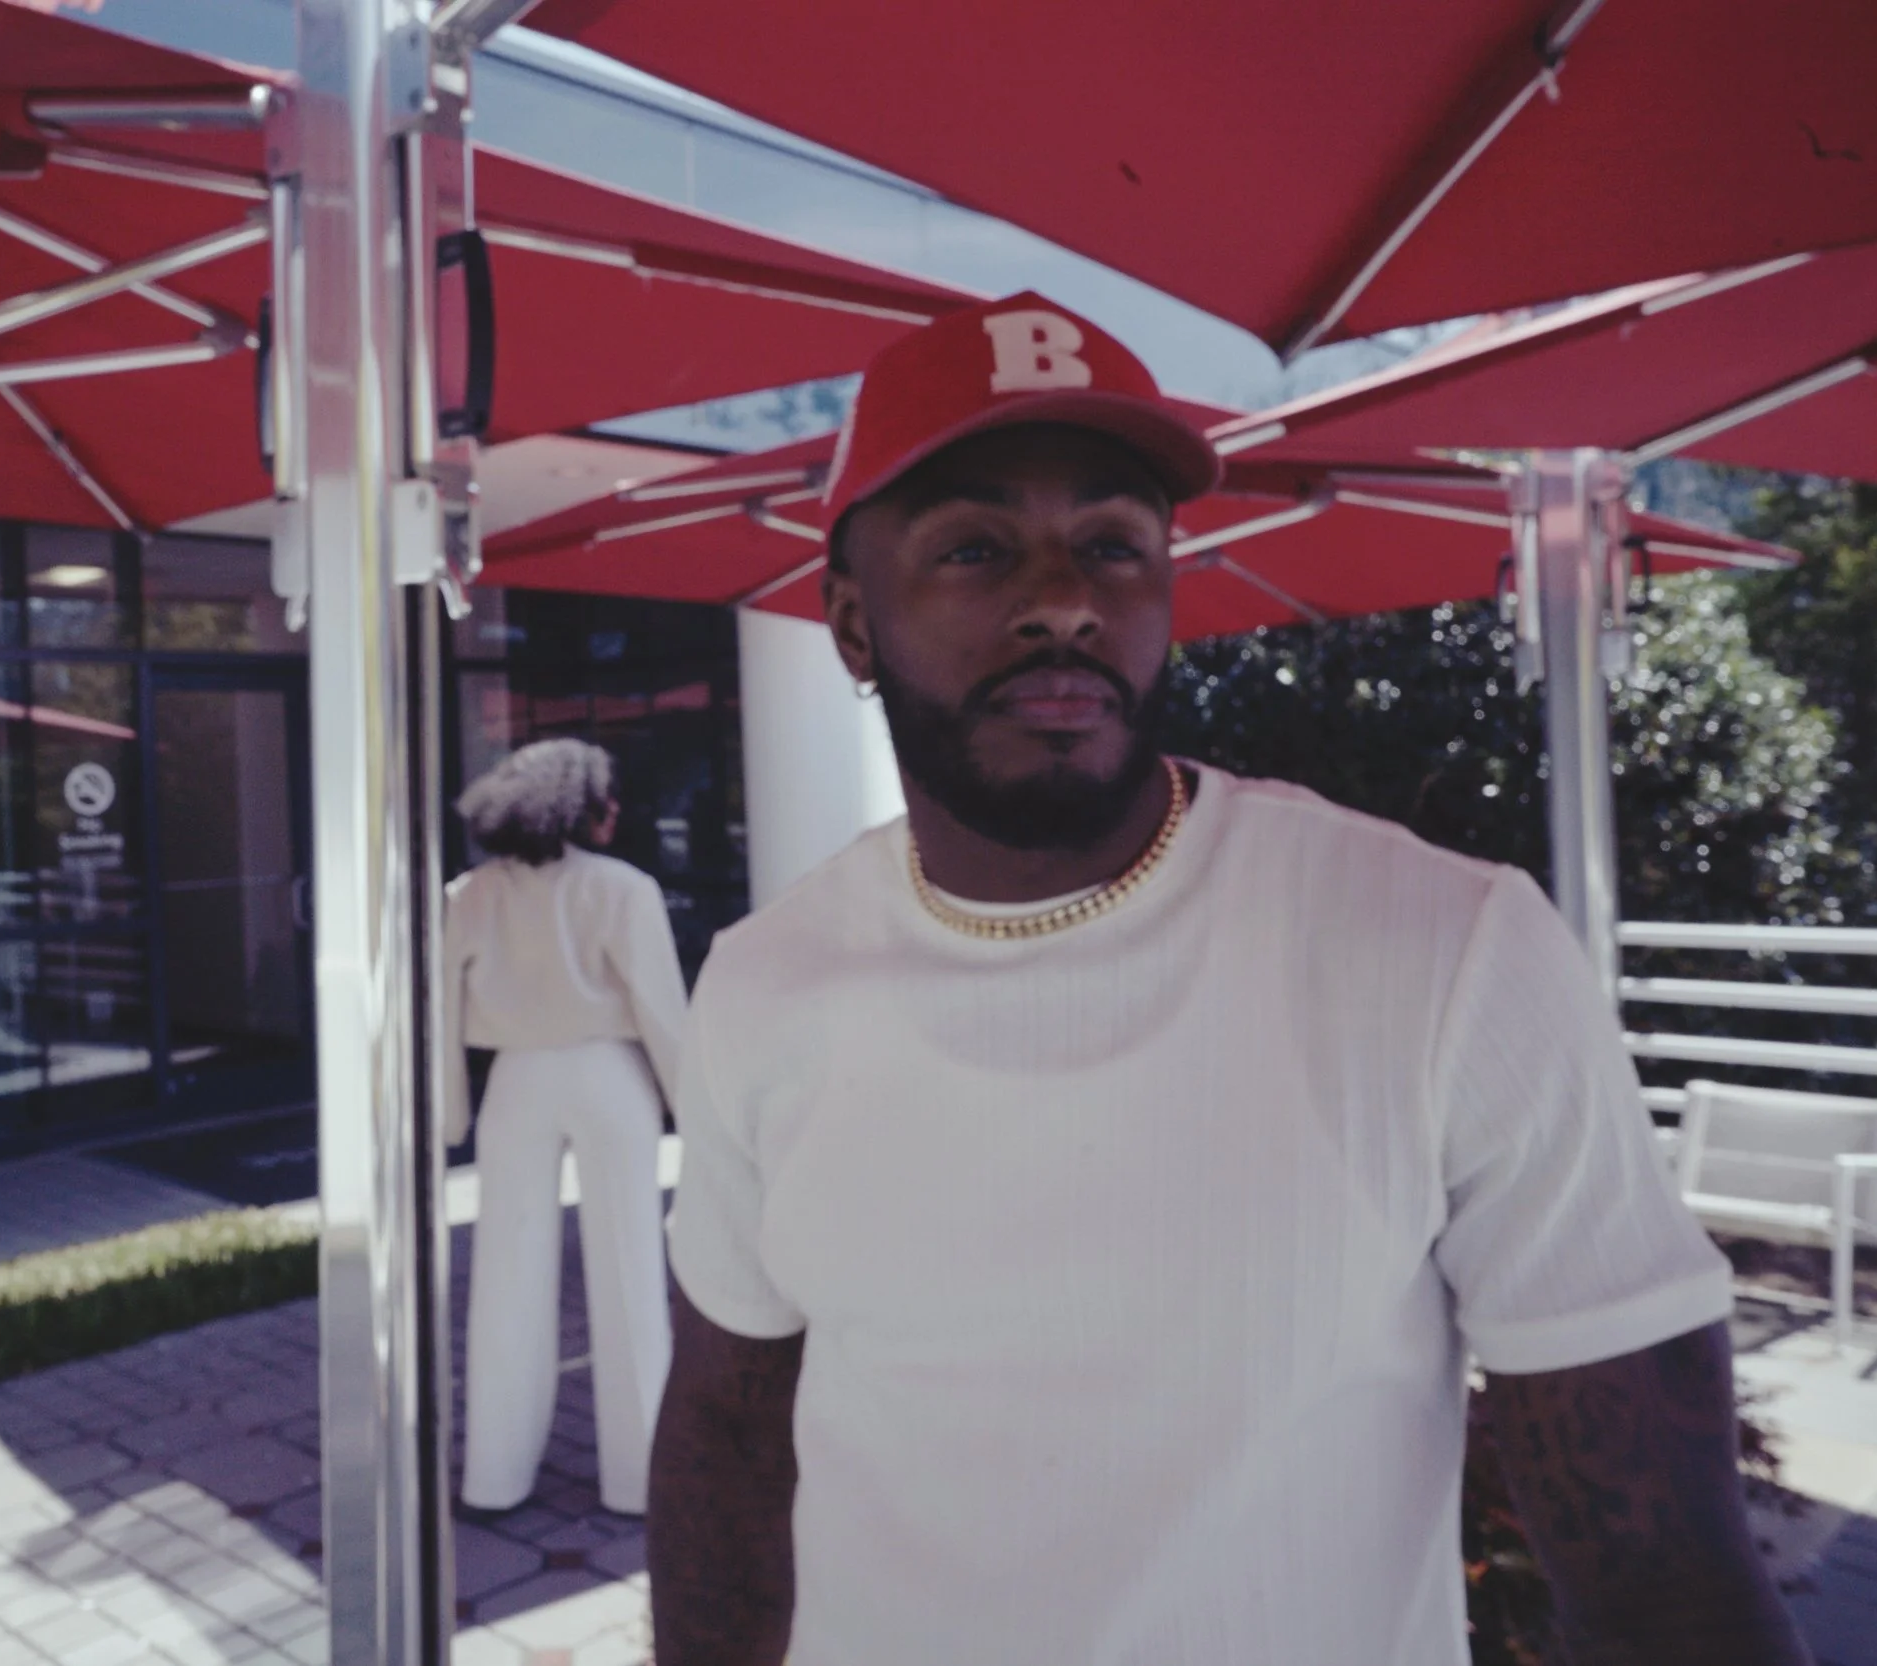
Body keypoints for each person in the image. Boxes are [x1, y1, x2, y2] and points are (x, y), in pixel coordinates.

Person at [647, 294, 1806, 1665]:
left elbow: (1666, 1584)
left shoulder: (1448, 953)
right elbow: (726, 1430)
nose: (1064, 600)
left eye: (1113, 544)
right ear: (851, 624)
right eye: (975, 547)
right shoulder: (764, 984)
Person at [446, 737, 690, 1515]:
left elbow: (436, 1010)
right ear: (581, 806)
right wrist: (700, 1111)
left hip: (516, 1082)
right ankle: (639, 1479)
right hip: (611, 1078)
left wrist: (448, 1112)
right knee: (629, 1275)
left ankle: (494, 1476)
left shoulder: (470, 894)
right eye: (606, 797)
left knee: (506, 1275)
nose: (615, 809)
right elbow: (660, 1008)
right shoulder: (624, 888)